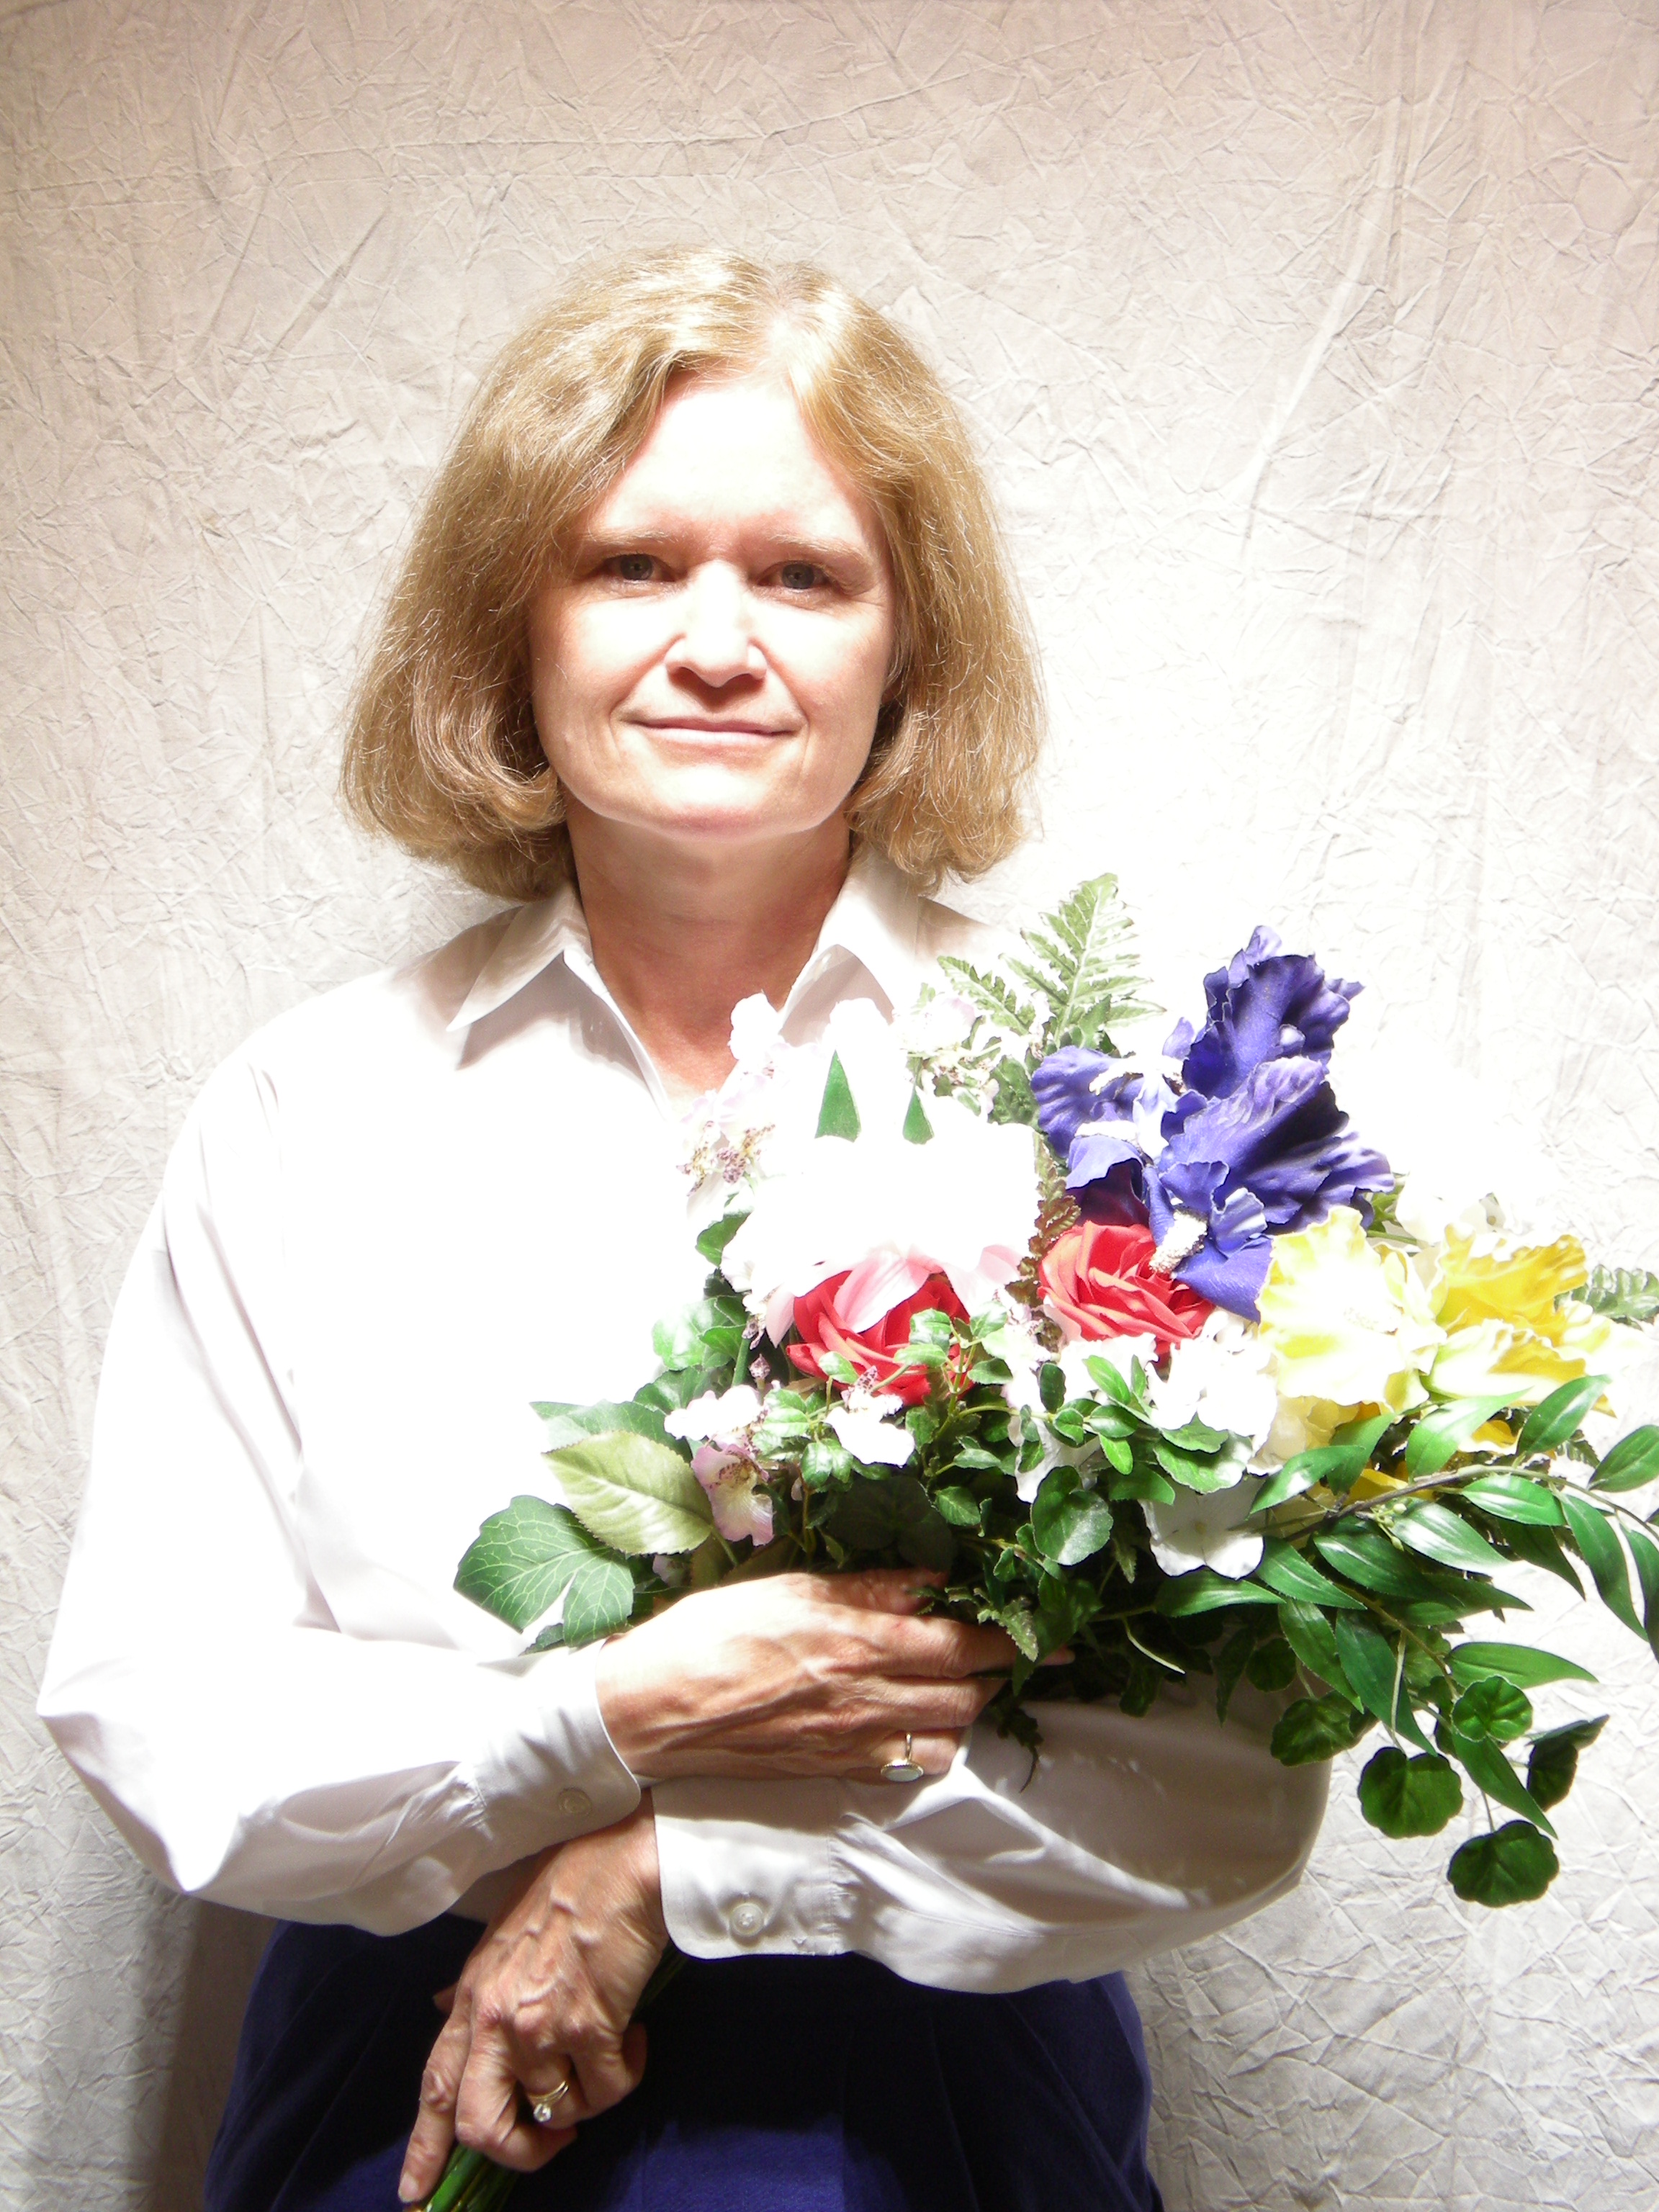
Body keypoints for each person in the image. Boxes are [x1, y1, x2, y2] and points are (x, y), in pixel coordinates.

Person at [38, 248, 1326, 2212]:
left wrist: (664, 1866)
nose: (716, 644)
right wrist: (596, 1726)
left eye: (804, 575)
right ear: (515, 624)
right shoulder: (310, 1113)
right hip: (415, 2075)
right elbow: (160, 1703)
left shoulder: (1107, 1114)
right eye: (630, 565)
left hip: (943, 2110)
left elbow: (1236, 1773)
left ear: (907, 643)